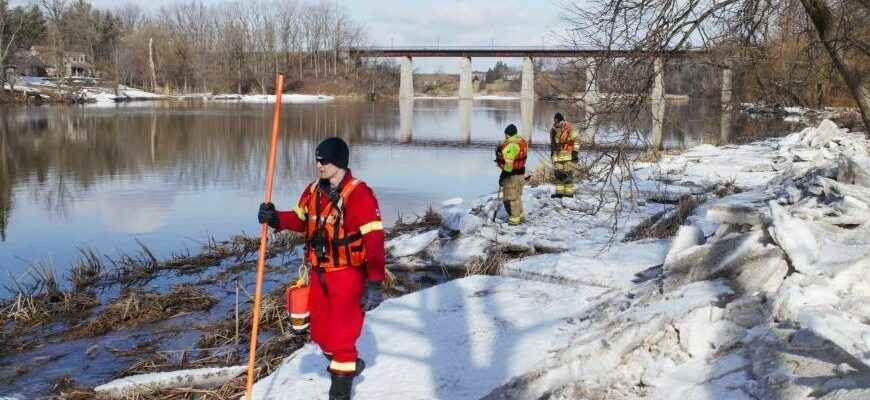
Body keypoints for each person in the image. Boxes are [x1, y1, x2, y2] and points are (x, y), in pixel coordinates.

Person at [258, 137, 385, 400]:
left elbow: (374, 241)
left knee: (343, 337)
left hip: (348, 277)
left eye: (324, 161)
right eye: (317, 160)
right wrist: (275, 218)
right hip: (319, 273)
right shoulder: (312, 191)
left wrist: (374, 282)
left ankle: (340, 390)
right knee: (321, 332)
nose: (319, 165)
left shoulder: (360, 194)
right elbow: (300, 219)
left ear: (338, 162)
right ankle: (349, 366)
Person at [495, 124, 528, 225]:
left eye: (505, 135)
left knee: (511, 198)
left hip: (512, 176)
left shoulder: (512, 145)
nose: (505, 137)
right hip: (521, 174)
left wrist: (502, 176)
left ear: (508, 135)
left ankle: (514, 220)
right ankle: (521, 216)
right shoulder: (521, 142)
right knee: (517, 196)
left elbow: (509, 165)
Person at [549, 112, 577, 198]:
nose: (557, 124)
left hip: (569, 156)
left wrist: (575, 155)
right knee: (558, 176)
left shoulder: (571, 128)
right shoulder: (553, 130)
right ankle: (559, 193)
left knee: (568, 175)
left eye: (558, 122)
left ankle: (569, 194)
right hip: (557, 156)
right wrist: (552, 154)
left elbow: (576, 142)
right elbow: (552, 143)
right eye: (556, 122)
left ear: (562, 121)